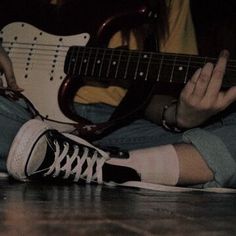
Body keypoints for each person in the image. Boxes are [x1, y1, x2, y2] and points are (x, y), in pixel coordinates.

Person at [1, 0, 236, 191]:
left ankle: (104, 166)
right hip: (20, 109)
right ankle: (58, 156)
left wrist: (178, 115)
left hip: (118, 123)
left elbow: (148, 98)